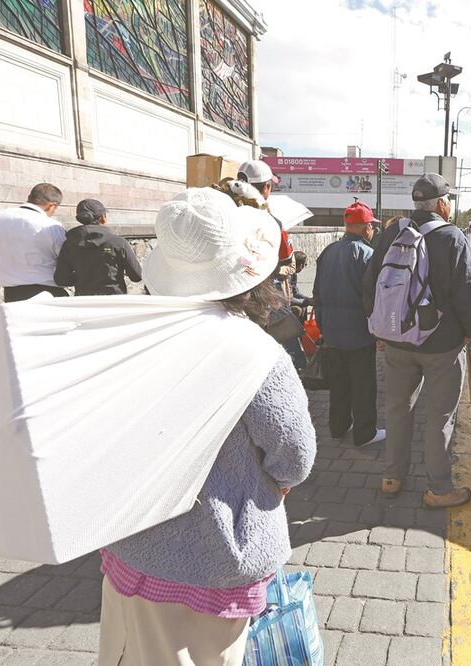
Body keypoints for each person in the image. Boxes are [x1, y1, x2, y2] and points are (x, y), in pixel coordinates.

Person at [97, 187, 317, 666]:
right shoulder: (255, 355)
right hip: (218, 548)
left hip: (135, 538)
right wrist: (277, 484)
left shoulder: (126, 341)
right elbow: (294, 455)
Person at [363, 174, 471, 508]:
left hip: (398, 342)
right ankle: (439, 488)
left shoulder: (392, 231)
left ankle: (392, 477)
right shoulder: (452, 237)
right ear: (443, 204)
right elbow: (470, 293)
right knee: (439, 417)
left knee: (397, 410)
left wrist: (379, 330)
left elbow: (371, 282)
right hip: (441, 346)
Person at [313, 201, 386, 448]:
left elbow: (317, 293)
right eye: (371, 226)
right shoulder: (368, 256)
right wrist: (378, 331)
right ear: (365, 228)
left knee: (338, 384)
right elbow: (373, 299)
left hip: (332, 332)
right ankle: (364, 433)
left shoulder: (327, 252)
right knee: (363, 385)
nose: (373, 230)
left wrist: (323, 325)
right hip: (360, 333)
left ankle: (338, 427)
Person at [0, 183, 68, 302]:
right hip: (47, 292)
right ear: (51, 206)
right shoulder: (52, 226)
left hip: (12, 294)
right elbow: (65, 258)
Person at [54, 199, 143, 295]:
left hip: (83, 301)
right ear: (103, 218)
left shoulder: (69, 244)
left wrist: (82, 277)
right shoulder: (118, 242)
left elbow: (61, 280)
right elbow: (137, 276)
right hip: (115, 301)